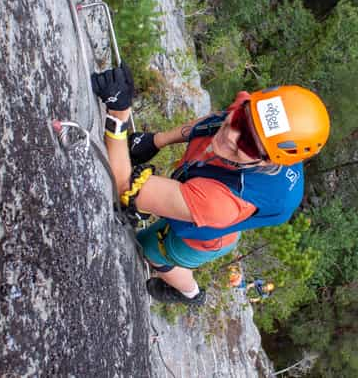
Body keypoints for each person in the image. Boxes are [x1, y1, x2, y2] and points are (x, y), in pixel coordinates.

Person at [90, 62, 330, 306]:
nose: (231, 135)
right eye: (239, 119)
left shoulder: (218, 204)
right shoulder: (257, 119)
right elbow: (213, 122)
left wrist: (118, 116)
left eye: (247, 143)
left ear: (268, 160)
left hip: (203, 237)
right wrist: (157, 141)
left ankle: (190, 294)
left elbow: (126, 188)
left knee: (150, 249)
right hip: (203, 197)